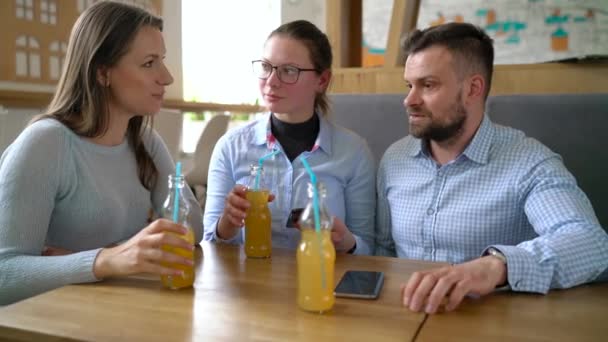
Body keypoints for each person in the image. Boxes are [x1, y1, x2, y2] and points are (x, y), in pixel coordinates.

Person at [375, 22, 608, 314]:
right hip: (400, 318)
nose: (409, 100)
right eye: (409, 85)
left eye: (428, 85)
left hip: (489, 323)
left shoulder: (528, 162)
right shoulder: (394, 159)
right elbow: (381, 249)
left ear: (473, 89)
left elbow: (591, 244)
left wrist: (494, 266)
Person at [0, 1, 202, 305]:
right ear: (102, 72)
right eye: (149, 63)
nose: (167, 77)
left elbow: (193, 230)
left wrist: (89, 258)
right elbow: (5, 276)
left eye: (162, 60)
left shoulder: (144, 139)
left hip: (119, 312)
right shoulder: (46, 144)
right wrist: (106, 260)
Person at [203, 20, 375, 255]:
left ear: (322, 80)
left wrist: (344, 240)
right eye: (266, 67)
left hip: (322, 282)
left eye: (289, 71)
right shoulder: (231, 147)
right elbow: (209, 246)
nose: (271, 81)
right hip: (249, 284)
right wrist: (227, 224)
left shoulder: (353, 152)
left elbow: (369, 250)